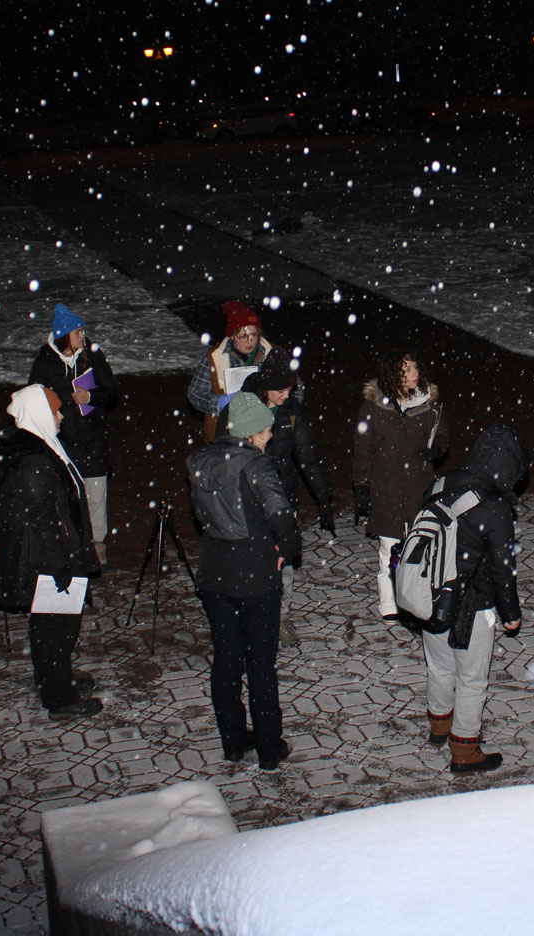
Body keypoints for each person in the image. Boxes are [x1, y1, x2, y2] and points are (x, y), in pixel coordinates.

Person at [186, 391, 301, 770]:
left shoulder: (199, 460)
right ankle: (269, 746)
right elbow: (281, 515)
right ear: (251, 432)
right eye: (266, 429)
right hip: (254, 577)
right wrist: (287, 546)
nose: (270, 435)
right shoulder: (256, 466)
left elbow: (202, 518)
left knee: (227, 657)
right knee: (261, 663)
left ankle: (233, 740)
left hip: (215, 573)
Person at [0, 385, 103, 719]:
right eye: (55, 410)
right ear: (39, 414)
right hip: (46, 559)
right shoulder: (34, 462)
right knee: (57, 627)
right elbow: (44, 521)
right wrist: (60, 566)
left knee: (48, 625)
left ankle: (53, 677)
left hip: (46, 555)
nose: (61, 415)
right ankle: (60, 698)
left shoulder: (37, 447)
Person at [415, 423, 529, 775]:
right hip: (470, 605)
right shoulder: (493, 506)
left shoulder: (442, 484)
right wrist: (511, 613)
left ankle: (439, 725)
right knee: (471, 679)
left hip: (428, 597)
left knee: (440, 667)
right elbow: (501, 569)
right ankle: (465, 749)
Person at [236, 352, 333, 647]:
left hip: (282, 496)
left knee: (284, 561)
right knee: (249, 560)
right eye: (281, 390)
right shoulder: (243, 405)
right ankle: (248, 618)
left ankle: (281, 617)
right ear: (265, 387)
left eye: (289, 389)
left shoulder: (291, 412)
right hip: (249, 498)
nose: (286, 395)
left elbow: (308, 458)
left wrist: (324, 499)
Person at [352, 349, 448, 619]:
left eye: (415, 367)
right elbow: (363, 450)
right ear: (392, 374)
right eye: (406, 369)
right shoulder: (374, 407)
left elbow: (442, 436)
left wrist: (437, 450)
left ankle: (418, 597)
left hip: (420, 487)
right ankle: (390, 604)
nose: (413, 374)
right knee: (389, 549)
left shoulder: (430, 405)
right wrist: (362, 486)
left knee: (421, 546)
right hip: (387, 489)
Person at [28, 303, 121, 568]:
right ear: (64, 335)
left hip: (93, 437)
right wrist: (64, 403)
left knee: (96, 492)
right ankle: (72, 543)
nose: (83, 336)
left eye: (82, 330)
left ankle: (98, 543)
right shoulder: (45, 362)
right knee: (67, 493)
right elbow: (35, 397)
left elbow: (112, 393)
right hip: (63, 439)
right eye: (78, 332)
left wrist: (91, 396)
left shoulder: (92, 355)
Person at [187, 300, 300, 443]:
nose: (250, 341)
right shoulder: (214, 357)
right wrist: (219, 402)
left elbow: (298, 389)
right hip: (227, 435)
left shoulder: (274, 354)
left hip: (268, 435)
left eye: (254, 335)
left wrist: (278, 406)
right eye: (243, 336)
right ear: (232, 335)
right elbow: (195, 394)